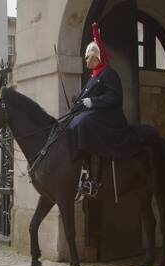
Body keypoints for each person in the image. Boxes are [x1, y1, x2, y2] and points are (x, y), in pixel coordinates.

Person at [68, 22, 140, 161]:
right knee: (72, 120)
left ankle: (87, 160)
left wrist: (93, 101)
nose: (86, 60)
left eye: (88, 57)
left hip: (109, 116)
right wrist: (77, 103)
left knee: (82, 122)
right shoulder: (94, 76)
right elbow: (85, 96)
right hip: (96, 113)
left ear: (96, 57)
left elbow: (115, 96)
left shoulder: (108, 73)